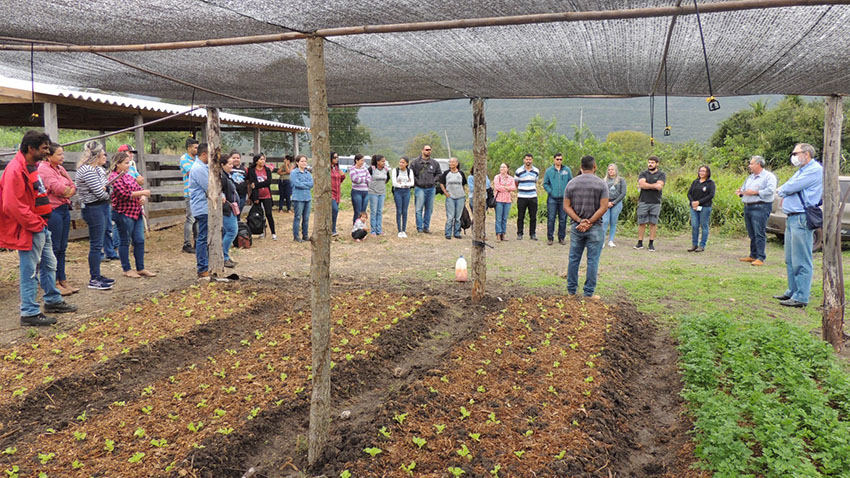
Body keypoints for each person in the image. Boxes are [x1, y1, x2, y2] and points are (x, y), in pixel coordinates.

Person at [0, 131, 77, 326]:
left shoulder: (31, 166)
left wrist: (40, 223)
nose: (46, 151)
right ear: (31, 148)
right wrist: (34, 223)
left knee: (49, 264)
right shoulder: (15, 170)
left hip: (41, 226)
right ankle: (29, 312)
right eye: (43, 148)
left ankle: (52, 300)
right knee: (30, 270)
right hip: (30, 228)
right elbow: (11, 204)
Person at [773, 143, 823, 308]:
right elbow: (786, 187)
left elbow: (790, 187)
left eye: (796, 153)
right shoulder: (802, 170)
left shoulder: (814, 169)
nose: (793, 156)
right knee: (790, 258)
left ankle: (801, 296)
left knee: (801, 258)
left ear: (806, 154)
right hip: (792, 217)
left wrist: (784, 190)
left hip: (801, 217)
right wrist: (785, 189)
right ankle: (792, 290)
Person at [563, 155, 609, 298]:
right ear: (594, 167)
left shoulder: (571, 183)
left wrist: (579, 220)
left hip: (577, 227)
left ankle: (571, 292)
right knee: (592, 260)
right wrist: (590, 222)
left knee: (574, 258)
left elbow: (566, 206)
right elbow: (604, 207)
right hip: (595, 227)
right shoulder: (601, 184)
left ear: (580, 167)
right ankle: (588, 293)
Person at [108, 152, 156, 279]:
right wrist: (143, 192)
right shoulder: (114, 177)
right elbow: (123, 194)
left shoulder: (128, 176)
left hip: (136, 212)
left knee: (139, 240)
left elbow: (136, 188)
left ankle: (140, 268)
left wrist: (142, 196)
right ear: (117, 164)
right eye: (126, 162)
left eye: (128, 162)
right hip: (123, 213)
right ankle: (127, 268)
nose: (128, 164)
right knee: (125, 241)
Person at [39, 142, 78, 295]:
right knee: (54, 247)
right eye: (59, 154)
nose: (63, 157)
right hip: (53, 210)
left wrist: (67, 191)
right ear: (49, 156)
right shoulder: (44, 170)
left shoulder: (60, 169)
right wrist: (66, 191)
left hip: (63, 208)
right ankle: (53, 281)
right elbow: (61, 188)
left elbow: (72, 186)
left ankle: (62, 279)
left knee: (62, 247)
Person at [75, 140, 114, 290]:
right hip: (93, 208)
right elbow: (100, 193)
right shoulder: (87, 170)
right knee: (96, 244)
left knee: (100, 242)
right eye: (104, 153)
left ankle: (97, 274)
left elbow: (107, 188)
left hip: (102, 207)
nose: (105, 156)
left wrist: (106, 191)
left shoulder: (98, 169)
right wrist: (106, 192)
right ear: (97, 155)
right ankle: (94, 278)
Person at [736, 155, 777, 266]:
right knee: (751, 232)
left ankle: (760, 257)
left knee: (759, 232)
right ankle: (753, 255)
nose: (749, 166)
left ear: (758, 164)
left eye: (751, 163)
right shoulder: (750, 177)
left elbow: (770, 190)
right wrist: (741, 192)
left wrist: (755, 192)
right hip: (748, 206)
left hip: (760, 207)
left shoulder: (769, 177)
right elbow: (745, 189)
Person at [634, 155, 666, 251]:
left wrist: (646, 185)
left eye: (652, 162)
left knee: (653, 223)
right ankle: (640, 243)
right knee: (641, 222)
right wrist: (654, 185)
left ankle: (651, 243)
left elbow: (660, 186)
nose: (650, 164)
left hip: (656, 202)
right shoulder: (643, 173)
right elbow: (642, 184)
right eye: (649, 162)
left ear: (657, 164)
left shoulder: (661, 174)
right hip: (643, 200)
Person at [188, 143, 211, 278]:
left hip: (205, 206)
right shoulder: (198, 169)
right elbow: (209, 187)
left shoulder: (203, 167)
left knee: (206, 236)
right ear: (204, 154)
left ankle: (206, 264)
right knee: (202, 237)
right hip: (202, 207)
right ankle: (202, 268)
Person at [410, 145, 442, 233]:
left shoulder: (435, 163)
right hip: (419, 188)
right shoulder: (415, 162)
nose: (428, 151)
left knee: (429, 209)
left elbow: (439, 174)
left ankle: (426, 227)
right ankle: (419, 228)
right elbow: (411, 174)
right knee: (418, 209)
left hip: (431, 188)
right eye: (426, 150)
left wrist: (433, 180)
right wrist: (418, 182)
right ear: (422, 150)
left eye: (430, 150)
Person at [543, 153, 573, 245]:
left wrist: (568, 193)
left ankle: (561, 237)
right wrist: (551, 191)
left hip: (564, 199)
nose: (559, 161)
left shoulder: (567, 170)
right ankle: (550, 238)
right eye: (557, 159)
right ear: (554, 160)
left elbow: (571, 182)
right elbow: (545, 183)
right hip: (552, 198)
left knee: (563, 219)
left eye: (560, 159)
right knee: (551, 218)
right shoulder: (549, 171)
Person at [686, 166, 716, 252]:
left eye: (704, 171)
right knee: (695, 225)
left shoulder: (710, 183)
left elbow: (711, 195)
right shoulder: (695, 182)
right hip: (694, 207)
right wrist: (693, 202)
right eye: (700, 171)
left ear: (707, 173)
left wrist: (699, 202)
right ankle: (694, 244)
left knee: (704, 225)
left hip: (705, 207)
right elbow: (689, 193)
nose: (701, 173)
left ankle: (702, 245)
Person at [248, 153, 277, 240]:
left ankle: (273, 233)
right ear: (256, 161)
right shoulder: (252, 170)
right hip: (257, 196)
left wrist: (256, 185)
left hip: (266, 194)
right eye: (261, 159)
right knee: (259, 214)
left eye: (264, 159)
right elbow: (251, 182)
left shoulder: (267, 170)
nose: (263, 161)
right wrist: (255, 195)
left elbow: (268, 182)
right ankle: (260, 231)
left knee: (269, 213)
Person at [439, 157, 468, 239]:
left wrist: (464, 194)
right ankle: (448, 233)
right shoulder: (446, 173)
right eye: (450, 162)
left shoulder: (461, 173)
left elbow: (463, 185)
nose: (451, 164)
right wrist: (445, 192)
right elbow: (441, 183)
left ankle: (457, 233)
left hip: (460, 197)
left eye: (453, 162)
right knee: (450, 216)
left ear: (457, 163)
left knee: (458, 217)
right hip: (450, 197)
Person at [514, 153, 540, 240]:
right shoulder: (518, 171)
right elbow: (516, 182)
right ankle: (519, 233)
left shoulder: (536, 171)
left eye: (530, 159)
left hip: (533, 196)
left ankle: (532, 233)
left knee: (533, 216)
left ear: (532, 160)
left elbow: (535, 181)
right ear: (524, 160)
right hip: (522, 196)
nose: (528, 161)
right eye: (526, 159)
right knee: (521, 216)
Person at [180, 138, 199, 253]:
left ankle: (197, 241)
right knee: (190, 218)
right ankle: (186, 243)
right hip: (190, 193)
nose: (196, 149)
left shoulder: (197, 159)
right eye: (195, 147)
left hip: (197, 192)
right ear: (189, 148)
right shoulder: (184, 159)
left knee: (197, 218)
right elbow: (192, 172)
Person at [221, 155, 240, 268]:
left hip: (231, 207)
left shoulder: (227, 176)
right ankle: (224, 256)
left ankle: (224, 255)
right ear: (222, 165)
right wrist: (222, 195)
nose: (231, 166)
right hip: (226, 209)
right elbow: (220, 190)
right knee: (232, 230)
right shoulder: (222, 177)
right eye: (229, 164)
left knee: (226, 232)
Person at [601, 163, 627, 248]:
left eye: (612, 169)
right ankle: (602, 241)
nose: (610, 171)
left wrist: (614, 202)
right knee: (605, 221)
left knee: (613, 222)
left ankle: (611, 240)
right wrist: (607, 202)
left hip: (616, 203)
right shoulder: (604, 180)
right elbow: (601, 193)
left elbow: (623, 193)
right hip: (606, 203)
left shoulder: (621, 180)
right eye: (609, 170)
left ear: (616, 170)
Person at [290, 154, 314, 243]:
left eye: (305, 161)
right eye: (302, 161)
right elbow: (297, 184)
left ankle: (305, 235)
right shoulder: (294, 173)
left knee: (306, 218)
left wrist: (303, 184)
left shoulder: (308, 173)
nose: (304, 163)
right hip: (298, 198)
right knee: (298, 217)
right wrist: (305, 185)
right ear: (297, 162)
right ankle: (296, 236)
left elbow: (311, 184)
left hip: (307, 198)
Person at [392, 156, 415, 237]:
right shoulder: (395, 170)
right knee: (399, 210)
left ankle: (404, 230)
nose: (401, 164)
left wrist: (403, 184)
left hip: (407, 192)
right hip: (398, 192)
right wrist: (403, 184)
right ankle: (399, 230)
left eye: (403, 162)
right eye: (400, 162)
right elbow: (394, 183)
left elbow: (412, 183)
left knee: (405, 211)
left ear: (407, 164)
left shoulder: (409, 171)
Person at [492, 163, 516, 241]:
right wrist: (507, 188)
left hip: (507, 200)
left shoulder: (511, 178)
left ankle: (503, 233)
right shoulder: (497, 177)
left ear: (507, 168)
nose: (502, 168)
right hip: (499, 200)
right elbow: (497, 187)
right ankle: (498, 234)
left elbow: (513, 187)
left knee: (504, 218)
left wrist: (505, 187)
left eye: (504, 167)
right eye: (501, 167)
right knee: (498, 218)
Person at [368, 154, 390, 236]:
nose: (384, 163)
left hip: (382, 193)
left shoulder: (386, 170)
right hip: (373, 193)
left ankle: (379, 230)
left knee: (380, 211)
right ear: (377, 162)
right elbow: (367, 178)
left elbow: (388, 178)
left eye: (384, 161)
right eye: (382, 161)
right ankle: (373, 230)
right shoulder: (372, 169)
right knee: (374, 211)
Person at [349, 154, 371, 224]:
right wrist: (365, 179)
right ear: (356, 160)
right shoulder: (352, 169)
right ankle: (356, 226)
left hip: (365, 192)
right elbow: (355, 179)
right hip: (356, 192)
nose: (363, 162)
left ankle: (362, 226)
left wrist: (362, 179)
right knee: (357, 210)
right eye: (361, 160)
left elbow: (370, 178)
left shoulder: (365, 169)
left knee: (363, 211)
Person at [227, 151, 248, 218]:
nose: (236, 159)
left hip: (242, 194)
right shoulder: (229, 168)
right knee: (233, 212)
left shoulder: (244, 169)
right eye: (234, 158)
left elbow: (247, 181)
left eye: (238, 158)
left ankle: (238, 224)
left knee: (239, 211)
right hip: (232, 194)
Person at [330, 151, 346, 236]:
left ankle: (333, 228)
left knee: (335, 212)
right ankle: (332, 229)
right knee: (334, 209)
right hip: (330, 193)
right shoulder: (326, 168)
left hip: (337, 193)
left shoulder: (336, 168)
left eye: (337, 157)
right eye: (334, 157)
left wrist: (343, 176)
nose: (336, 159)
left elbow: (340, 180)